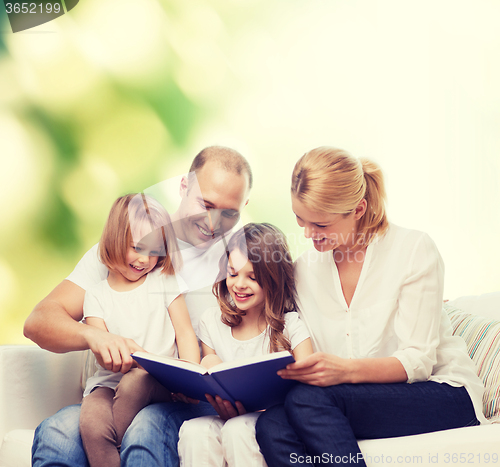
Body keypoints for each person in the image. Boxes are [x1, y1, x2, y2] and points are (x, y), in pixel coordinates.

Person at [255, 147, 486, 466]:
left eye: (321, 225)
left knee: (308, 400)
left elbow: (418, 360)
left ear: (359, 209)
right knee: (271, 425)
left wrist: (343, 370)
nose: (308, 235)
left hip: (442, 392)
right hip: (349, 399)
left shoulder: (413, 249)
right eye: (300, 220)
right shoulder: (305, 270)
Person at [24, 146, 252, 467]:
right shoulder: (119, 250)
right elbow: (39, 322)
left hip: (186, 400)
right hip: (115, 392)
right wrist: (95, 336)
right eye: (206, 204)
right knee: (58, 432)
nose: (214, 222)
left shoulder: (241, 265)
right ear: (184, 186)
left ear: (245, 207)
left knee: (145, 428)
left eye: (230, 213)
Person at [79, 193, 200, 467]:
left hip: (159, 381)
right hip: (109, 383)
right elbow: (103, 353)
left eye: (155, 250)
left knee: (136, 381)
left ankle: (120, 445)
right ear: (113, 240)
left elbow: (185, 333)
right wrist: (128, 353)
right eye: (136, 247)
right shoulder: (96, 295)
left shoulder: (164, 279)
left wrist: (190, 378)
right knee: (91, 423)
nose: (145, 259)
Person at [178, 223, 313, 467]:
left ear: (273, 279)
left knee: (239, 430)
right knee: (194, 430)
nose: (239, 284)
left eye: (252, 277)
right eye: (232, 273)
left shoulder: (291, 325)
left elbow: (309, 388)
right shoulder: (211, 321)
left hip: (273, 419)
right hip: (225, 415)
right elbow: (211, 379)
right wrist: (209, 364)